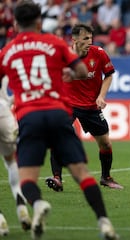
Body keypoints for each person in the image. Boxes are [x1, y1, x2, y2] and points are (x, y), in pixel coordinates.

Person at [0, 1, 119, 239]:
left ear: (14, 24)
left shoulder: (7, 51)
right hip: (58, 111)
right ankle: (104, 222)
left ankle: (38, 205)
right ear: (39, 22)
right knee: (82, 173)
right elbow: (82, 71)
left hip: (28, 115)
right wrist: (69, 72)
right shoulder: (54, 43)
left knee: (25, 178)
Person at [46, 23, 123, 191]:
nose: (90, 41)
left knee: (105, 144)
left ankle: (106, 177)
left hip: (90, 106)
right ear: (74, 40)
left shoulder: (99, 53)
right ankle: (56, 177)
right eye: (85, 38)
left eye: (91, 38)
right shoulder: (62, 55)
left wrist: (101, 96)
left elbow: (109, 74)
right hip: (67, 104)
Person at [0, 76, 31, 234]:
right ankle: (21, 205)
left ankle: (0, 220)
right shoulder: (4, 59)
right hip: (4, 114)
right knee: (11, 161)